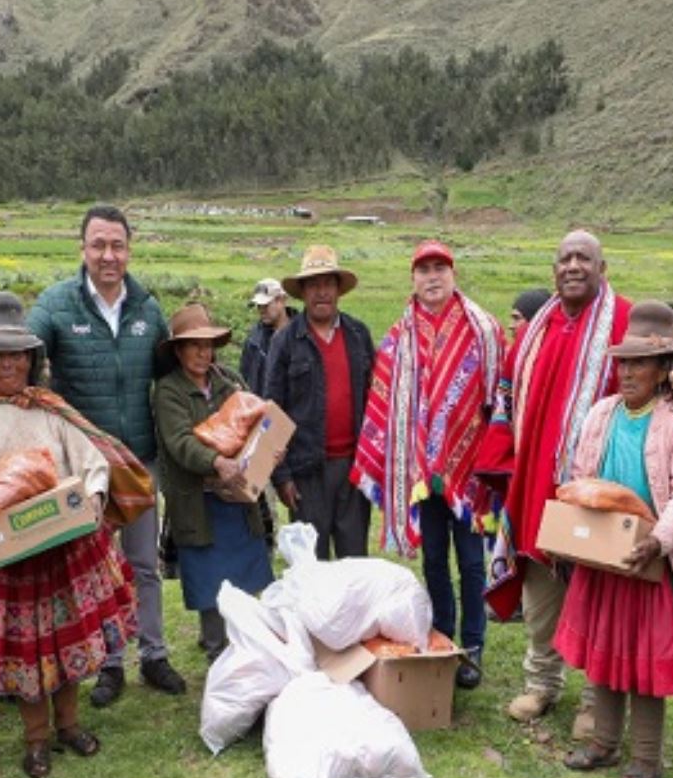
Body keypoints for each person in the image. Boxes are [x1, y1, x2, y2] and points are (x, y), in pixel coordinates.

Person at [0, 295, 141, 778]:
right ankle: (36, 740)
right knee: (26, 648)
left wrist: (92, 498)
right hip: (7, 552)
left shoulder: (51, 410)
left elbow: (91, 463)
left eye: (17, 356)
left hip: (61, 549)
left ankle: (70, 725)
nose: (7, 365)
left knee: (63, 639)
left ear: (31, 360)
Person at [556, 302, 673, 778]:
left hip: (655, 559)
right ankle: (604, 743)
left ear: (664, 368)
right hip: (609, 555)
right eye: (623, 363)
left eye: (640, 363)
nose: (628, 372)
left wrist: (658, 540)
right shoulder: (603, 414)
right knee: (608, 651)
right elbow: (582, 478)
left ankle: (646, 757)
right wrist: (574, 530)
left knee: (648, 659)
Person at [28, 206, 184, 706]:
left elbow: (176, 375)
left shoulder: (147, 308)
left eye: (117, 245)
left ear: (129, 250)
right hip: (86, 469)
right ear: (83, 249)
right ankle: (110, 663)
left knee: (142, 564)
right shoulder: (56, 305)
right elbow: (19, 361)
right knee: (99, 567)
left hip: (140, 463)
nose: (108, 255)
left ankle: (154, 654)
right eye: (98, 245)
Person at [477, 231, 631, 729]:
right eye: (564, 258)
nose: (573, 266)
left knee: (595, 597)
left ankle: (593, 699)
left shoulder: (623, 321)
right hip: (536, 490)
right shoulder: (533, 333)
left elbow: (666, 375)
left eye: (583, 258)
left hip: (598, 494)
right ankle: (541, 683)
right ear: (553, 270)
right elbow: (504, 396)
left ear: (601, 267)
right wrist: (501, 461)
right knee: (540, 598)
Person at [354, 240, 504, 688]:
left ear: (453, 274)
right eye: (423, 270)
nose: (432, 277)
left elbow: (500, 399)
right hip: (421, 473)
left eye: (440, 268)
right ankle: (445, 639)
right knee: (435, 560)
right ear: (413, 279)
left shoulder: (483, 330)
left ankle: (473, 646)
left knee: (473, 563)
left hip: (470, 471)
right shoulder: (398, 338)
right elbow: (383, 401)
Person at [153, 305, 276, 660]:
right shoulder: (168, 392)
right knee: (211, 585)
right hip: (198, 505)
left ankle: (252, 648)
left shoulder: (230, 382)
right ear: (178, 350)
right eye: (194, 346)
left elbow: (258, 426)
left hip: (237, 503)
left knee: (247, 577)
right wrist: (216, 461)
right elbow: (180, 443)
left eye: (208, 345)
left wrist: (270, 450)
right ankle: (217, 652)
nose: (203, 353)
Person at [264, 246, 375, 560]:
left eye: (328, 283)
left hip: (354, 468)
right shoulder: (284, 342)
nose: (322, 292)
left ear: (339, 289)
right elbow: (273, 410)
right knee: (312, 569)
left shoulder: (358, 335)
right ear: (302, 293)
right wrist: (282, 477)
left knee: (354, 565)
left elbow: (374, 402)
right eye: (313, 284)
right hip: (306, 472)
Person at [239, 278, 291, 397]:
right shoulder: (253, 340)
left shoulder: (301, 335)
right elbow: (244, 376)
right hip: (259, 409)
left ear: (282, 301)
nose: (261, 310)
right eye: (258, 306)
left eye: (266, 305)